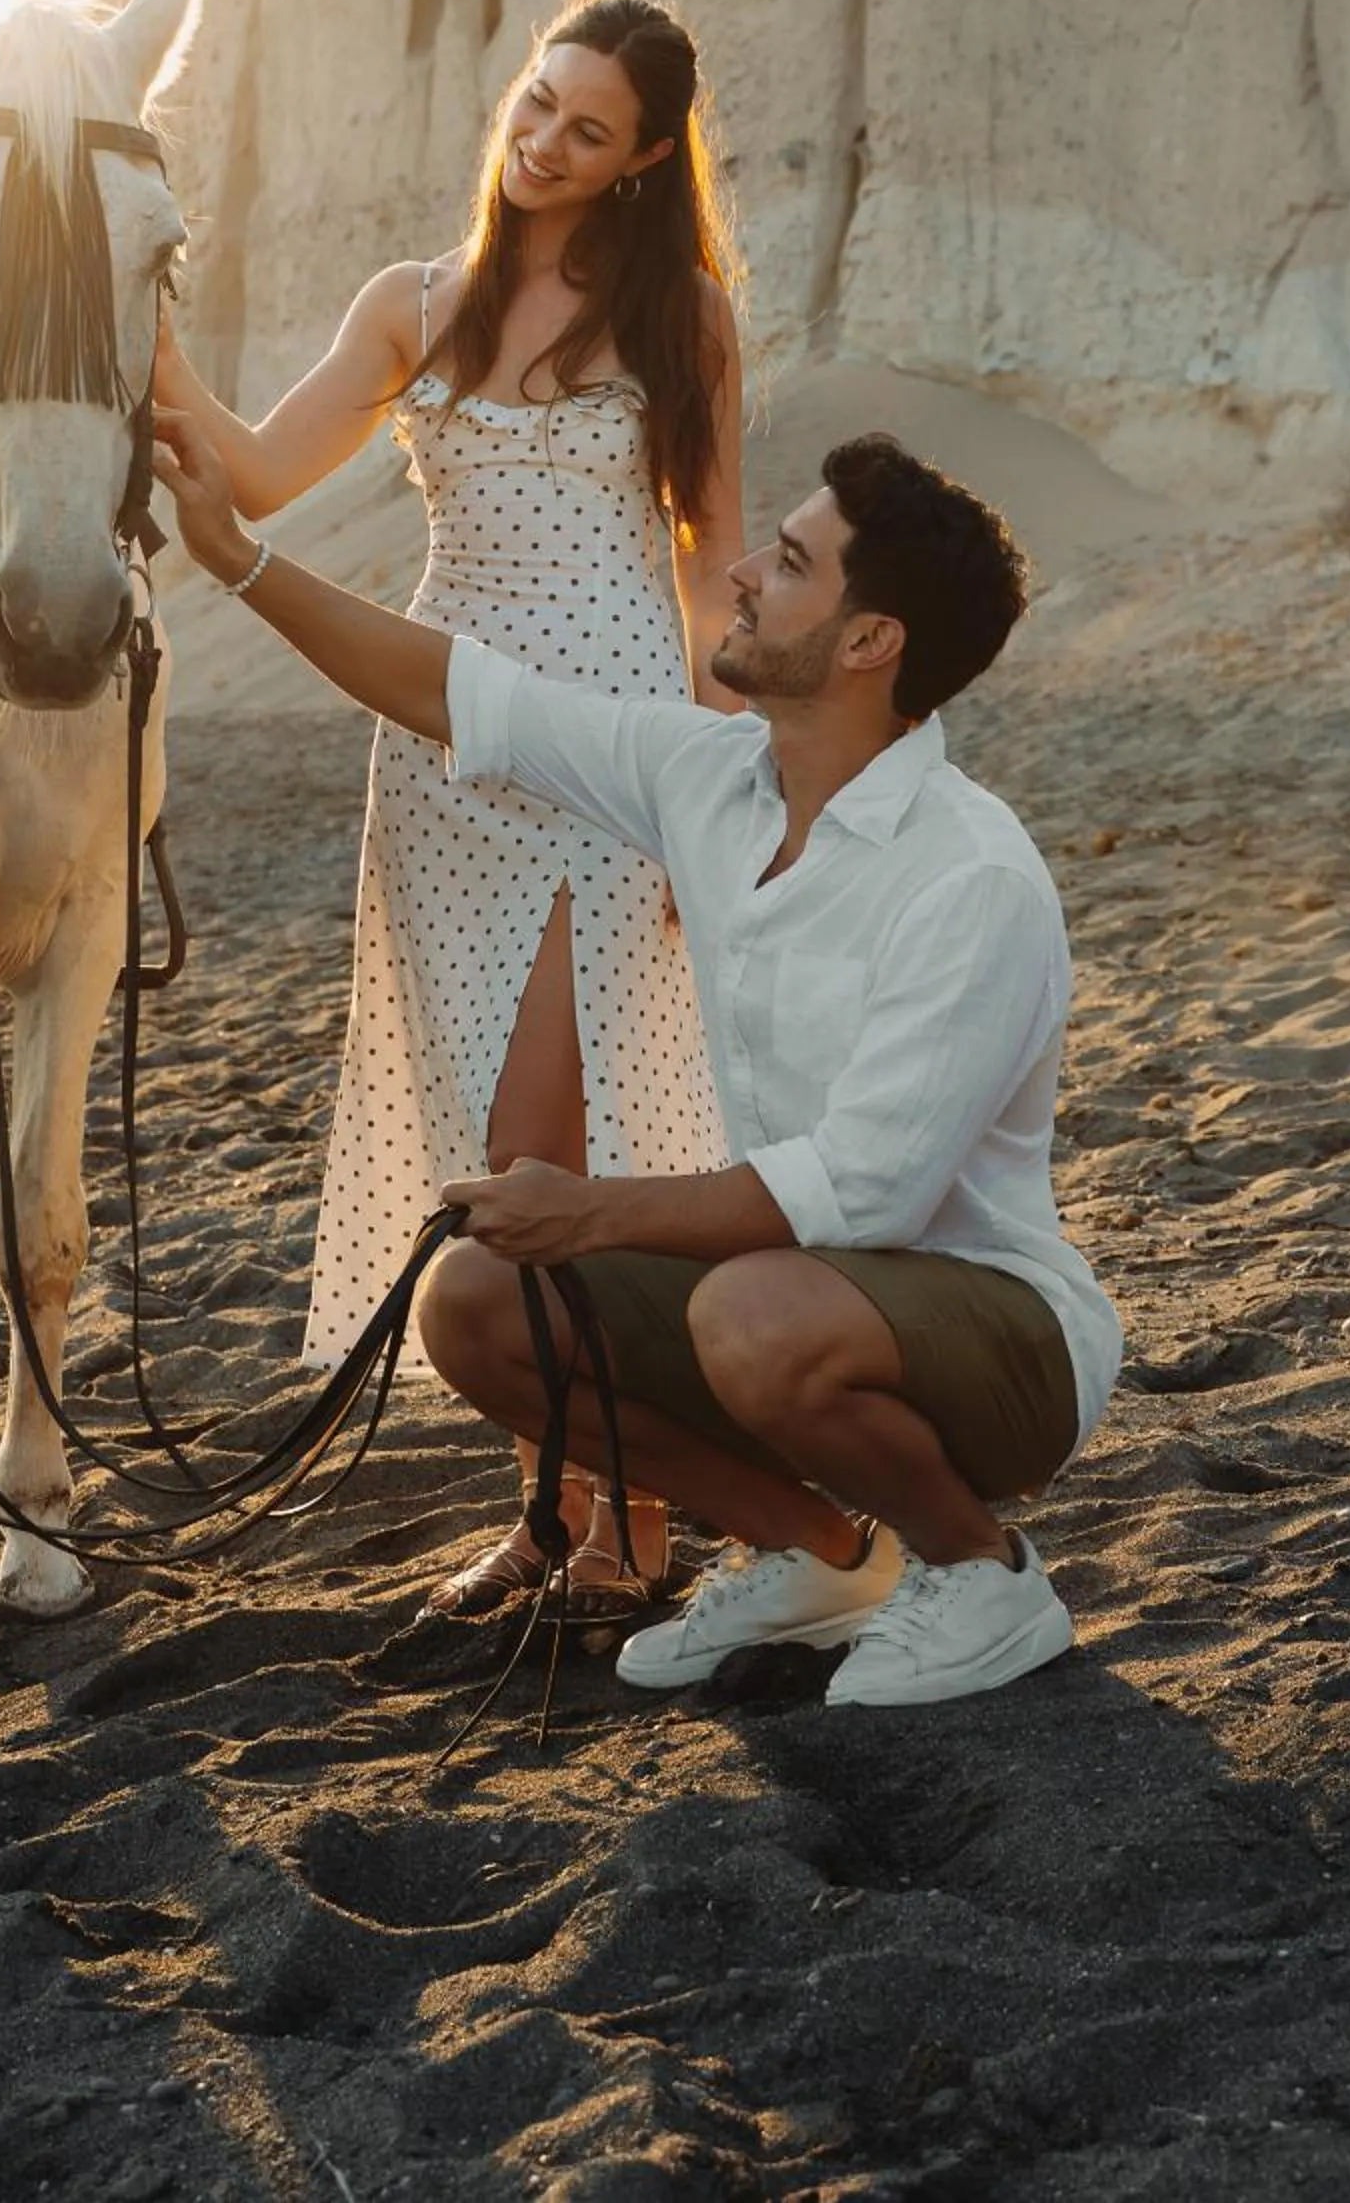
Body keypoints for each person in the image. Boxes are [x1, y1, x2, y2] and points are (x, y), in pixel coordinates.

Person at [149, 415, 1122, 1706]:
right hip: (795, 1304)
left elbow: (862, 1196)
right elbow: (458, 690)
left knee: (743, 1312)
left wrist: (587, 1208)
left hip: (1002, 1341)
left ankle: (985, 1574)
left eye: (787, 563)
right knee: (480, 1307)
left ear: (870, 644)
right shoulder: (709, 777)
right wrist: (236, 560)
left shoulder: (972, 877)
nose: (739, 574)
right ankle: (826, 1556)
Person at [151, 0, 746, 1615]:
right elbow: (259, 469)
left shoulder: (684, 316)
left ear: (640, 163)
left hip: (614, 757)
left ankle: (630, 1534)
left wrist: (718, 788)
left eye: (589, 130)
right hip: (439, 759)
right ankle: (557, 1514)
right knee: (497, 1153)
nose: (545, 142)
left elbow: (711, 577)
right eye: (540, 103)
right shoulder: (418, 303)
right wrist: (146, 329)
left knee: (573, 1141)